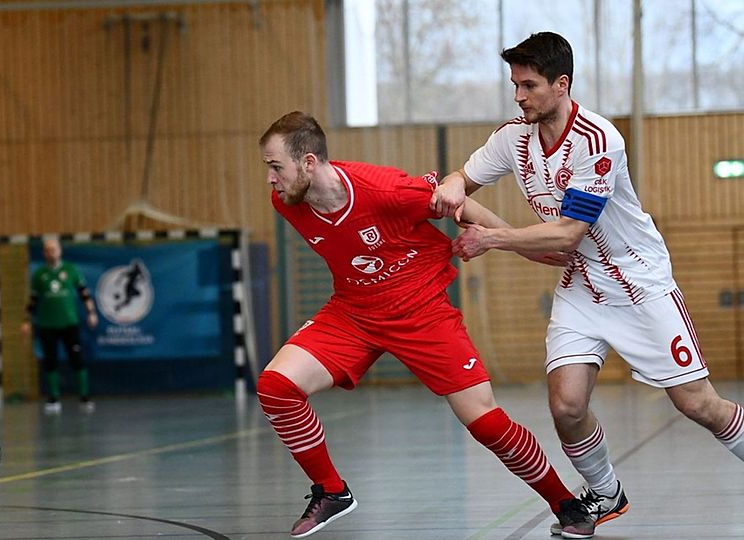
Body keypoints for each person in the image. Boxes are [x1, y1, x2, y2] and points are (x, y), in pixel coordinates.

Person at [430, 31, 744, 539]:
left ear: (562, 84)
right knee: (566, 405)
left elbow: (568, 232)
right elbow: (462, 178)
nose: (519, 95)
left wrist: (493, 238)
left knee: (697, 405)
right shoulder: (513, 137)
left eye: (529, 85)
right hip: (582, 285)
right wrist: (447, 187)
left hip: (639, 284)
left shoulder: (598, 140)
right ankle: (606, 492)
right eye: (514, 84)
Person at [257, 111, 592, 539]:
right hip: (354, 311)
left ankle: (564, 501)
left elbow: (459, 202)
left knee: (484, 420)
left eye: (275, 166)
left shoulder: (383, 190)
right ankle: (332, 491)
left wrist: (521, 244)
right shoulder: (286, 203)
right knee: (276, 387)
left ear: (307, 163)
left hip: (420, 311)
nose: (270, 178)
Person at [21, 236, 99, 413]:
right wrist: (26, 321)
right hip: (48, 324)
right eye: (47, 250)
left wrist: (91, 312)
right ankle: (54, 398)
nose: (51, 252)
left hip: (69, 323)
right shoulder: (39, 275)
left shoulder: (70, 270)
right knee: (50, 361)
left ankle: (84, 396)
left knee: (76, 358)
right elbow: (33, 301)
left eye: (54, 249)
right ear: (44, 253)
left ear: (60, 250)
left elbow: (84, 293)